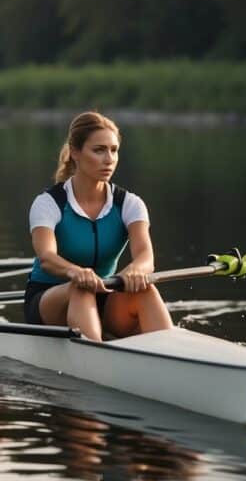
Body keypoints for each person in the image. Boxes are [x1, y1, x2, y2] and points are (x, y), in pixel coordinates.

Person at [24, 112, 173, 341]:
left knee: (146, 288)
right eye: (99, 150)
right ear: (75, 153)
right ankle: (95, 357)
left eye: (114, 150)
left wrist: (136, 271)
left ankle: (169, 351)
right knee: (80, 289)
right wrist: (75, 272)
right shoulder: (49, 203)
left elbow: (146, 257)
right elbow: (46, 257)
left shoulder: (129, 204)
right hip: (50, 300)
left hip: (105, 292)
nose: (109, 159)